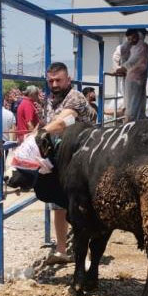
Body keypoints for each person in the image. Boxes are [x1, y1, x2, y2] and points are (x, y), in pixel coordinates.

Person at [40, 62, 97, 263]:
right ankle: (62, 251)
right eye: (51, 80)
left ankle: (90, 255)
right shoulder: (50, 100)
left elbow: (64, 120)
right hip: (61, 158)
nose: (54, 84)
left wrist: (37, 135)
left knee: (83, 207)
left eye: (58, 80)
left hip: (84, 160)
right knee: (58, 205)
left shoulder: (75, 97)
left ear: (68, 80)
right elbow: (46, 123)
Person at [113, 28, 148, 122]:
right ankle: (135, 120)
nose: (131, 41)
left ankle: (132, 121)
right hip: (133, 78)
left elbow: (133, 61)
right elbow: (119, 57)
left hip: (136, 79)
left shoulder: (142, 47)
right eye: (129, 39)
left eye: (132, 38)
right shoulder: (133, 46)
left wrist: (122, 68)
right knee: (133, 101)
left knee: (133, 102)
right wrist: (119, 68)